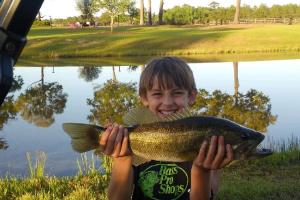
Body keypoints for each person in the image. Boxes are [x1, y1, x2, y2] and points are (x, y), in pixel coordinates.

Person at [99, 57, 234, 200]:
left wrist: (202, 170)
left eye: (177, 93)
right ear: (144, 98)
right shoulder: (132, 143)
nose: (168, 103)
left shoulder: (208, 144)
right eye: (157, 94)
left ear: (192, 96)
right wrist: (122, 158)